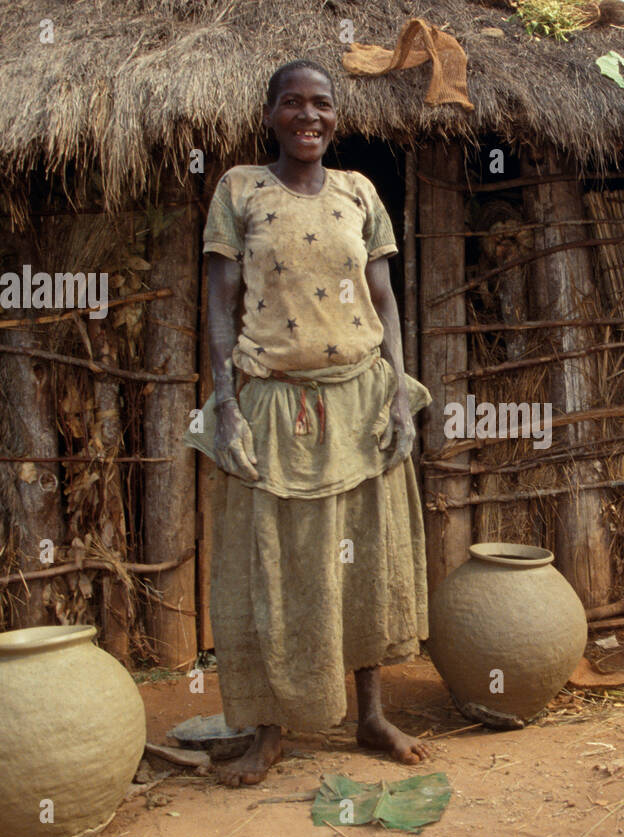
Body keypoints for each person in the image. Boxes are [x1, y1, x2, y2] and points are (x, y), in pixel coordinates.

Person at [184, 59, 431, 784]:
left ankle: (371, 714)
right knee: (273, 565)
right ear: (269, 115)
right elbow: (220, 305)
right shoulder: (239, 189)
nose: (308, 116)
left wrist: (397, 397)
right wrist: (226, 403)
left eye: (321, 104)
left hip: (360, 399)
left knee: (365, 560)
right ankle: (268, 731)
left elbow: (383, 301)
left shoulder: (360, 192)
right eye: (292, 103)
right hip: (272, 402)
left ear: (335, 116)